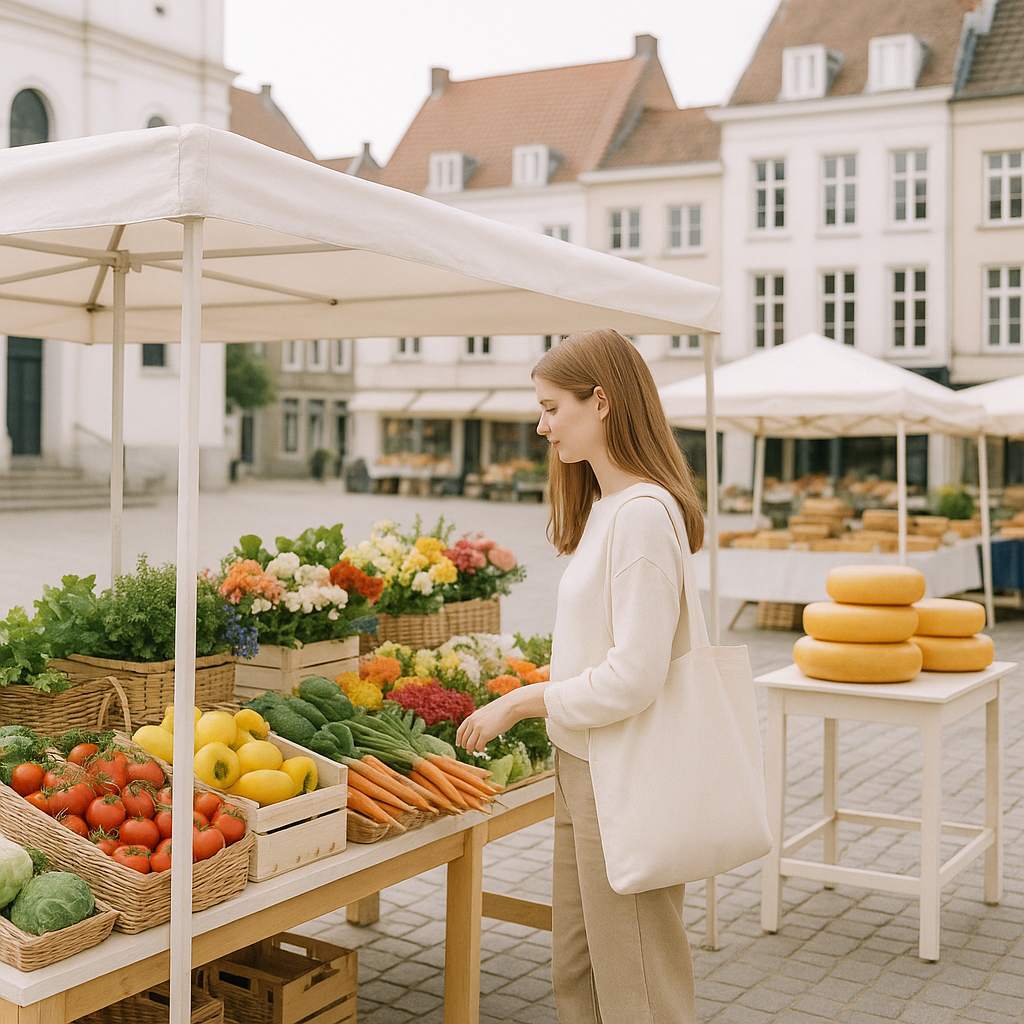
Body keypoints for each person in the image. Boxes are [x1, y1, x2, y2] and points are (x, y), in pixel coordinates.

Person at [457, 328, 705, 1024]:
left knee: (636, 982)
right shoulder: (607, 509)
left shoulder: (645, 517)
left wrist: (523, 701)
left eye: (550, 407)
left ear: (601, 401)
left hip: (624, 773)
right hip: (586, 763)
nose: (541, 427)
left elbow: (635, 675)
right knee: (581, 968)